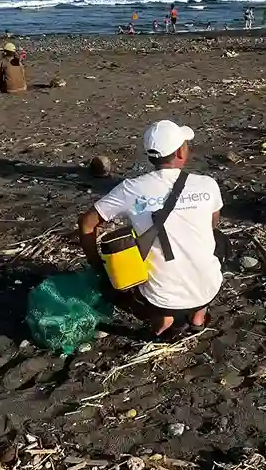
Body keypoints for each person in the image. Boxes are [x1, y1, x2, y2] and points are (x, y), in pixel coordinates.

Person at [78, 121, 224, 336]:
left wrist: (97, 265)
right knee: (217, 242)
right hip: (208, 287)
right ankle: (197, 317)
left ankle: (163, 321)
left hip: (160, 295)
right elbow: (213, 224)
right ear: (181, 152)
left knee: (148, 265)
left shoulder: (131, 189)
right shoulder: (207, 184)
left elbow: (86, 223)